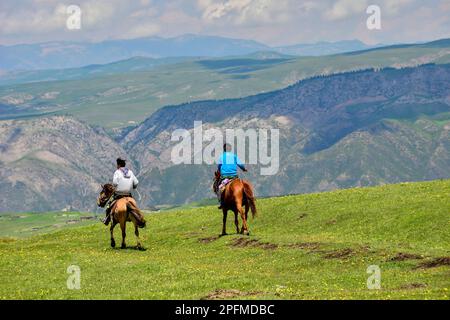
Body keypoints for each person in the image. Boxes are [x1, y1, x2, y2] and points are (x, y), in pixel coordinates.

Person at [102, 158, 139, 225]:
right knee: (134, 205)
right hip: (128, 194)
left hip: (119, 195)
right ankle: (137, 215)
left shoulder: (117, 172)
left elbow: (115, 183)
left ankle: (106, 219)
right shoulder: (130, 172)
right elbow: (136, 183)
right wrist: (133, 186)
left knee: (109, 206)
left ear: (118, 165)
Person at [216, 143, 247, 208]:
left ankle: (221, 203)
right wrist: (244, 169)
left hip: (225, 177)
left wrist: (219, 171)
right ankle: (246, 199)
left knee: (219, 188)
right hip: (234, 177)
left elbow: (219, 166)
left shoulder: (221, 157)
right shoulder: (234, 156)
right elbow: (240, 164)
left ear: (224, 149)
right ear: (230, 149)